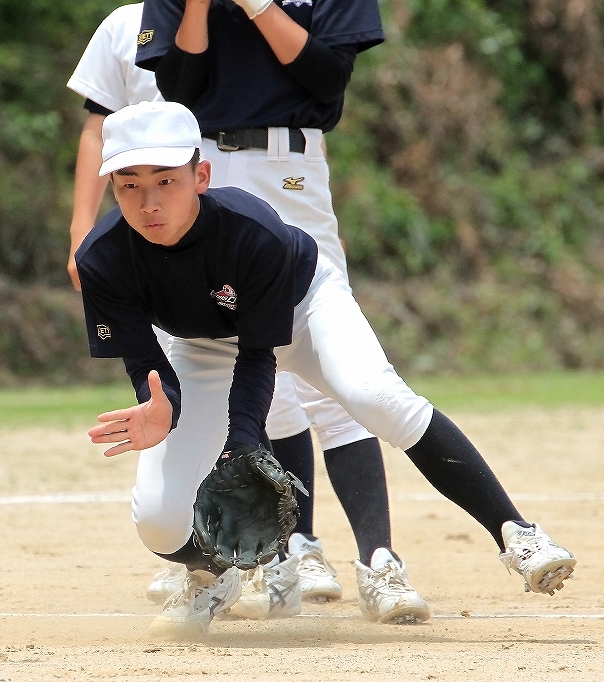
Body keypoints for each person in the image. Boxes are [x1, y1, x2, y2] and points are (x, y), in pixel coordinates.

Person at [76, 100, 576, 639]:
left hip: (304, 306)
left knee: (374, 397)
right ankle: (212, 573)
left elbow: (258, 355)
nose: (148, 202)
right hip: (203, 344)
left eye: (165, 181)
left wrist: (242, 445)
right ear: (112, 188)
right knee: (157, 517)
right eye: (129, 185)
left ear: (201, 176)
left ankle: (517, 534)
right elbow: (149, 364)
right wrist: (164, 409)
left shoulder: (251, 230)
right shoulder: (102, 259)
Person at [68, 2, 408, 622]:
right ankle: (290, 548)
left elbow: (329, 78)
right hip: (197, 169)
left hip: (290, 165)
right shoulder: (144, 15)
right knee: (262, 386)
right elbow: (178, 90)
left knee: (340, 382)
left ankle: (379, 559)